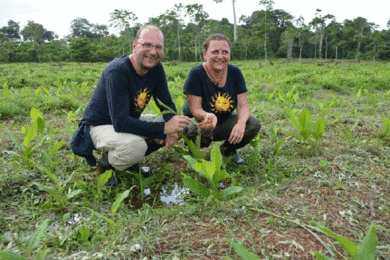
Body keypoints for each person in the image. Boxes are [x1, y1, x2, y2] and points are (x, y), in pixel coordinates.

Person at [71, 25, 191, 185]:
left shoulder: (156, 69)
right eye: (147, 45)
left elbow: (166, 102)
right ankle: (106, 165)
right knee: (136, 146)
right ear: (135, 46)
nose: (153, 52)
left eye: (158, 47)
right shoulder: (117, 71)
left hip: (123, 120)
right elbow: (120, 123)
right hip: (98, 126)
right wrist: (164, 129)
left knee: (174, 124)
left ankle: (129, 162)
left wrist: (172, 127)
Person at [182, 33, 261, 164]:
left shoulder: (235, 72)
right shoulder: (196, 73)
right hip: (200, 121)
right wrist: (208, 116)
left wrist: (240, 124)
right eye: (215, 52)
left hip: (224, 120)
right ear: (205, 54)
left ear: (229, 55)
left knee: (252, 123)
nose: (220, 56)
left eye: (225, 52)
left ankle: (228, 150)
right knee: (193, 129)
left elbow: (242, 105)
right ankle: (194, 154)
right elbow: (196, 110)